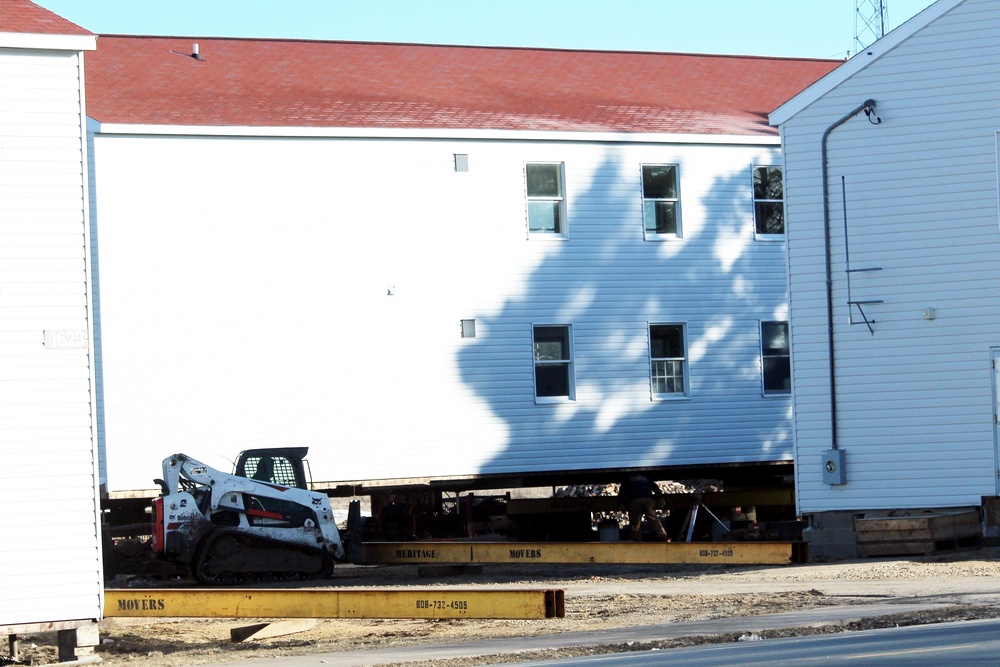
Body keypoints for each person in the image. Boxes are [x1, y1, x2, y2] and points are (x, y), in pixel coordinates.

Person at [618, 473, 669, 542]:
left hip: (634, 501)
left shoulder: (627, 480)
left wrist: (622, 504)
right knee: (653, 520)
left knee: (635, 524)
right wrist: (661, 498)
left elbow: (622, 493)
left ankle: (638, 542)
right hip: (648, 500)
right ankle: (661, 538)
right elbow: (656, 488)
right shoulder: (646, 478)